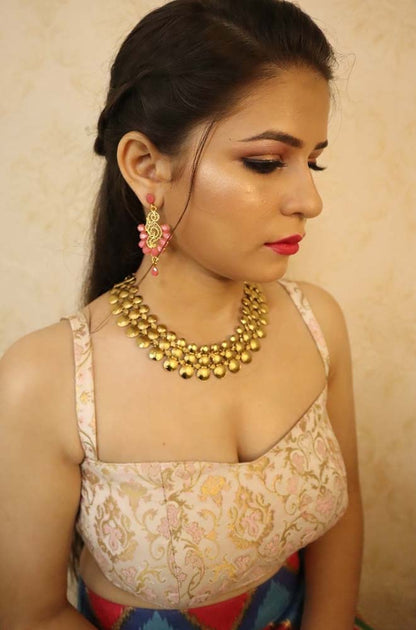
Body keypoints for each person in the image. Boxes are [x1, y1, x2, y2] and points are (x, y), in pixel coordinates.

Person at [0, 0, 375, 628]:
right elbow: (30, 614)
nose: (310, 200)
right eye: (266, 162)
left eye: (313, 161)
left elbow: (346, 508)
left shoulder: (318, 322)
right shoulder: (46, 380)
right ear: (147, 167)